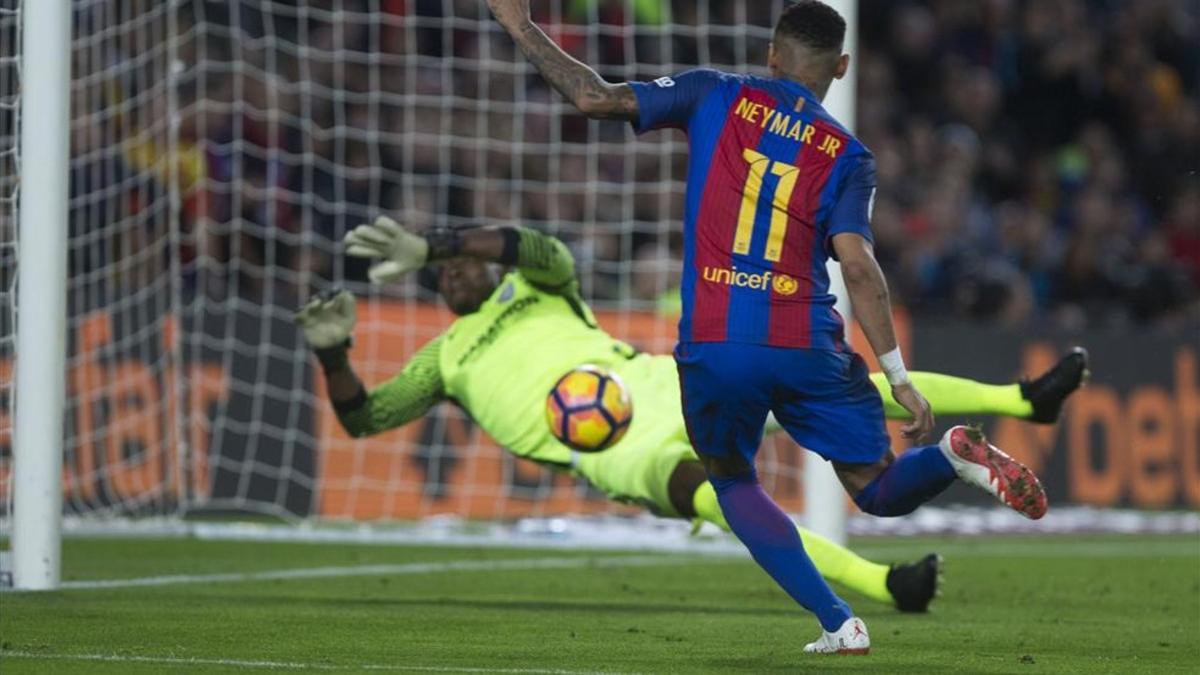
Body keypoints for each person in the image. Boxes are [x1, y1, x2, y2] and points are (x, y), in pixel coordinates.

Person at [485, 0, 1053, 654]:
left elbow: (593, 98)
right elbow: (860, 267)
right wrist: (897, 374)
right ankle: (952, 455)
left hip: (717, 343)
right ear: (840, 68)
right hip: (806, 342)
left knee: (729, 479)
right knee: (874, 487)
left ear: (771, 55)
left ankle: (840, 622)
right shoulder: (849, 154)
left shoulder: (713, 94)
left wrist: (519, 25)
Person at [296, 221, 1086, 616]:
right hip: (613, 450)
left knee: (836, 385)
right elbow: (366, 418)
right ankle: (884, 586)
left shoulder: (534, 288)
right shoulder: (443, 358)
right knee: (719, 490)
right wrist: (336, 355)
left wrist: (434, 242)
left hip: (662, 382)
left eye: (467, 257)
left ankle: (1023, 399)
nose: (463, 268)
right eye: (450, 268)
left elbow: (534, 248)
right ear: (438, 292)